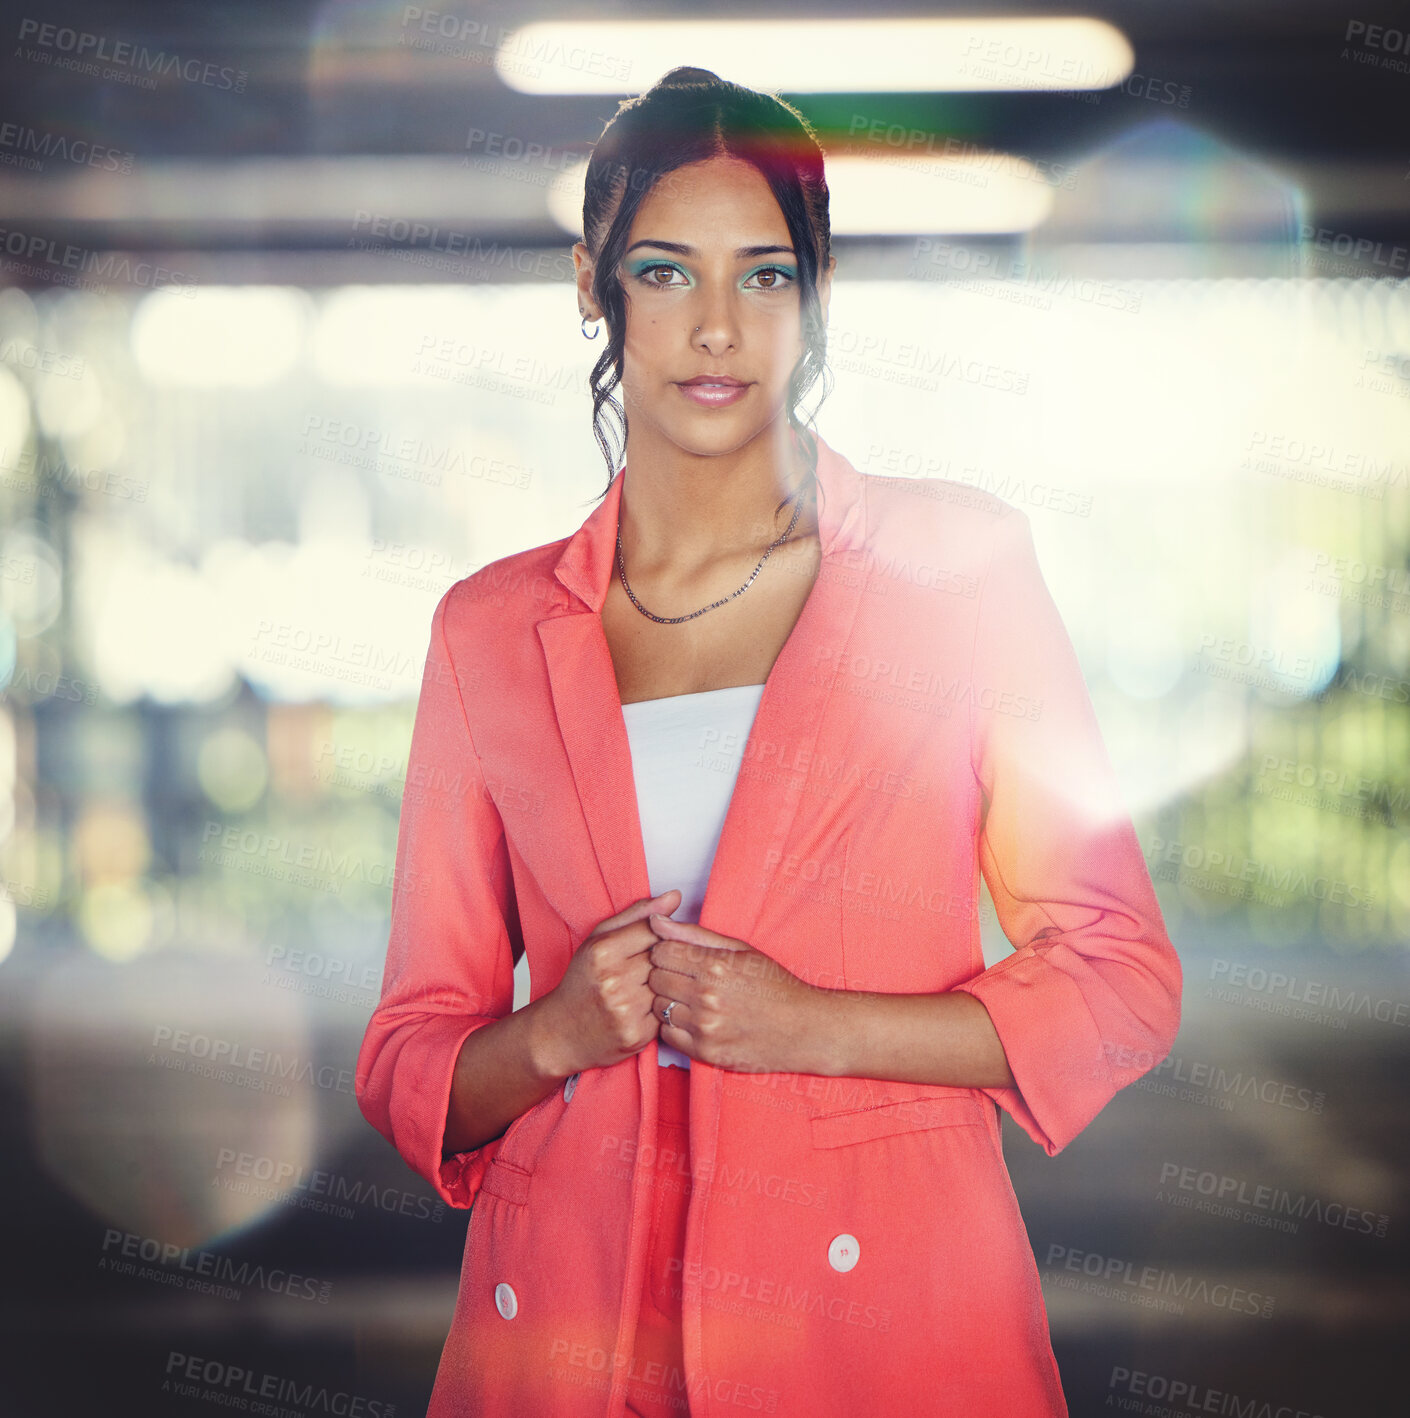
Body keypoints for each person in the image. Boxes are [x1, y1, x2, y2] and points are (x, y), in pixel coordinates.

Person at [355, 65, 1182, 1418]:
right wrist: (555, 1032)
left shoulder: (953, 570)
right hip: (574, 1325)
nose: (718, 327)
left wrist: (814, 1025)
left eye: (765, 276)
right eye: (667, 272)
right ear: (591, 284)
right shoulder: (489, 632)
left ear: (818, 290)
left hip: (877, 1318)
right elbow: (409, 1058)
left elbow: (1116, 975)